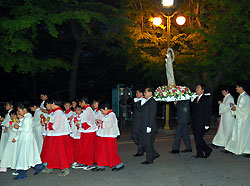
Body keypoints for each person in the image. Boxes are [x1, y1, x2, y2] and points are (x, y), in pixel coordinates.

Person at [41, 99, 73, 176]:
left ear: (52, 103)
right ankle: (50, 167)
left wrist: (47, 124)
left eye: (47, 105)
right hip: (55, 135)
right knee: (52, 152)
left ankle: (65, 169)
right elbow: (50, 123)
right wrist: (46, 123)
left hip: (59, 136)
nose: (47, 108)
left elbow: (55, 126)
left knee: (61, 153)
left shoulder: (58, 113)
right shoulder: (54, 113)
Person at [13, 103, 43, 180]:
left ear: (24, 110)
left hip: (26, 140)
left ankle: (22, 173)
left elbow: (26, 130)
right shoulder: (26, 118)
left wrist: (18, 127)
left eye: (19, 111)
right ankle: (38, 167)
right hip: (26, 139)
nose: (19, 113)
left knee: (23, 156)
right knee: (31, 155)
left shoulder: (27, 118)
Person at [93, 102, 124, 171]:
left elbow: (108, 125)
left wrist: (101, 123)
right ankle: (101, 165)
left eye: (102, 110)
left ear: (106, 108)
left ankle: (119, 164)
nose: (101, 112)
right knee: (102, 151)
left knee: (111, 151)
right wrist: (99, 122)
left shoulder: (112, 115)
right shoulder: (105, 115)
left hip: (110, 135)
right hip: (103, 135)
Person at [224, 82, 250, 156]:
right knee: (236, 134)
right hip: (239, 118)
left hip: (244, 119)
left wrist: (236, 108)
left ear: (241, 87)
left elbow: (246, 109)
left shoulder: (246, 97)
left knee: (244, 135)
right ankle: (232, 148)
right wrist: (235, 108)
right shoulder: (240, 96)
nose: (236, 88)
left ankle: (246, 150)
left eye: (237, 87)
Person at [73, 97, 97, 170]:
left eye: (80, 103)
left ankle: (90, 163)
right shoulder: (86, 110)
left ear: (83, 102)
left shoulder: (89, 110)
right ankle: (83, 162)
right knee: (84, 148)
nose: (80, 104)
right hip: (85, 132)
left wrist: (80, 124)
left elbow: (90, 122)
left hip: (89, 132)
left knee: (88, 148)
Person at [138, 87, 159, 164]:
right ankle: (154, 154)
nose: (144, 93)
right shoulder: (146, 101)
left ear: (150, 93)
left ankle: (149, 159)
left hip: (149, 126)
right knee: (144, 142)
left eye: (145, 92)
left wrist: (149, 126)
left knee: (148, 143)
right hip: (143, 125)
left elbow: (152, 115)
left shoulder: (152, 102)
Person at [191, 83, 212, 158]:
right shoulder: (196, 98)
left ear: (202, 90)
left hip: (201, 122)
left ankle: (207, 150)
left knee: (198, 138)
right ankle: (199, 153)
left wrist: (207, 124)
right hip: (195, 122)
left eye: (198, 88)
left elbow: (207, 112)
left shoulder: (205, 99)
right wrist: (192, 100)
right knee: (197, 138)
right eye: (196, 88)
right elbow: (193, 109)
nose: (196, 89)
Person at [132, 89, 145, 157]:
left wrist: (136, 102)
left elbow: (140, 109)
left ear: (141, 94)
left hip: (140, 121)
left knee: (139, 136)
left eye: (137, 93)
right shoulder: (136, 100)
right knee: (134, 136)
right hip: (135, 121)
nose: (136, 95)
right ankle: (142, 147)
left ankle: (140, 150)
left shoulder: (143, 101)